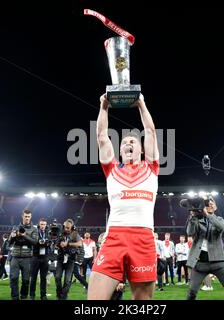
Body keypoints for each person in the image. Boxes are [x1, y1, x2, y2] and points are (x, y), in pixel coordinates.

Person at [89, 93, 160, 300]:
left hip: (144, 238)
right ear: (120, 150)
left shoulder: (152, 167)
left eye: (133, 141)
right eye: (124, 142)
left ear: (141, 149)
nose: (128, 143)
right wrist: (104, 106)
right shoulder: (111, 169)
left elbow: (150, 131)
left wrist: (141, 104)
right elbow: (102, 136)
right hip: (114, 238)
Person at [185, 197, 224, 300]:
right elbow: (190, 232)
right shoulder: (197, 220)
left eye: (211, 203)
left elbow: (221, 227)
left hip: (218, 262)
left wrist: (207, 215)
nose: (209, 205)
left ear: (216, 207)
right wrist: (192, 217)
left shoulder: (219, 219)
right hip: (200, 263)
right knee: (192, 292)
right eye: (206, 204)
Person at [8, 209, 38, 300]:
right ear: (22, 216)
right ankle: (15, 297)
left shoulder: (34, 229)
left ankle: (24, 296)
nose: (27, 218)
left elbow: (35, 242)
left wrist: (24, 235)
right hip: (15, 256)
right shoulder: (15, 227)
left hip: (27, 257)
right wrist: (13, 237)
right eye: (25, 216)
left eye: (28, 216)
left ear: (31, 217)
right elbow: (9, 242)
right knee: (13, 278)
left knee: (26, 280)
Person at [55, 219, 82, 300]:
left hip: (70, 259)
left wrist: (68, 244)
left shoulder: (75, 234)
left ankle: (63, 297)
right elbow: (56, 245)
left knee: (67, 280)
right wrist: (59, 244)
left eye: (68, 228)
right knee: (57, 277)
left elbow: (80, 244)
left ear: (72, 227)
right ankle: (59, 295)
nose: (66, 229)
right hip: (61, 258)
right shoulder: (60, 233)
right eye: (65, 227)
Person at [29, 218, 50, 300]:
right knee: (33, 277)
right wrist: (38, 242)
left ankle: (43, 295)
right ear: (39, 224)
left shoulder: (48, 233)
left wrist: (47, 243)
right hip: (35, 256)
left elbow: (51, 242)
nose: (43, 226)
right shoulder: (35, 232)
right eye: (41, 224)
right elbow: (32, 242)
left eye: (44, 224)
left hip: (45, 257)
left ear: (46, 225)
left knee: (43, 278)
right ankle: (32, 295)